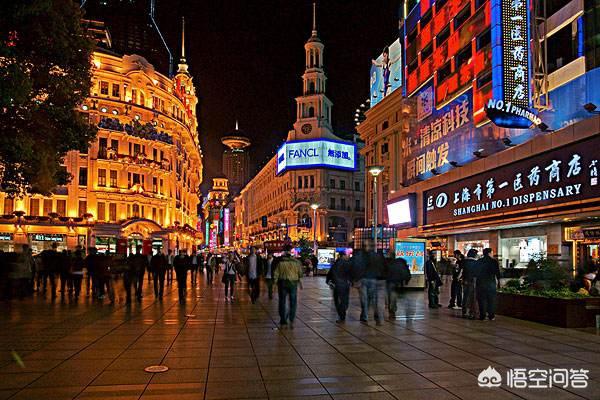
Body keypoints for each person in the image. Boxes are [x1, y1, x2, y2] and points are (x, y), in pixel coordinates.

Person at [354, 240, 385, 325]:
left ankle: (365, 316)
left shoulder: (360, 256)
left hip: (364, 279)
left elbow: (356, 266)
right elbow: (381, 267)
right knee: (371, 299)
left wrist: (355, 278)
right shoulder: (376, 256)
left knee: (365, 299)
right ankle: (375, 317)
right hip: (371, 279)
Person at [273, 244, 303, 328]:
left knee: (282, 301)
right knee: (293, 302)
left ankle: (283, 319)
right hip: (293, 283)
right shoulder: (296, 262)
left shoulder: (281, 263)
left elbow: (276, 274)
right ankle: (291, 318)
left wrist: (275, 284)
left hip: (282, 283)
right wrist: (299, 281)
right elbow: (300, 273)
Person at [326, 250, 353, 322]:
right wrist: (351, 281)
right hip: (345, 284)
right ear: (343, 256)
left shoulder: (335, 264)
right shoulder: (347, 264)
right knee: (344, 300)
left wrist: (328, 281)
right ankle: (342, 313)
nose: (347, 256)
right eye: (346, 255)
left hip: (337, 284)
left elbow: (330, 273)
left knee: (337, 301)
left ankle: (341, 315)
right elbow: (351, 273)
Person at [476, 248, 501, 321]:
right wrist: (499, 282)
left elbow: (475, 272)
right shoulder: (493, 261)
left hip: (481, 283)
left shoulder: (479, 261)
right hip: (490, 283)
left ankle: (482, 315)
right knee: (491, 300)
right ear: (489, 253)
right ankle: (491, 315)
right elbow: (497, 273)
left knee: (482, 299)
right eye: (492, 252)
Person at [385, 253, 411, 319]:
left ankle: (392, 311)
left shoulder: (388, 263)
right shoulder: (401, 263)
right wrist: (406, 281)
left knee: (391, 297)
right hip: (399, 282)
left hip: (391, 282)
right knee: (395, 297)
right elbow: (407, 273)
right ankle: (393, 310)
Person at [461, 249, 479, 319]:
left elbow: (461, 271)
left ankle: (464, 311)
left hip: (465, 281)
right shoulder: (476, 263)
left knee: (465, 296)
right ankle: (472, 313)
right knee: (472, 297)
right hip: (473, 281)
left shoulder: (464, 262)